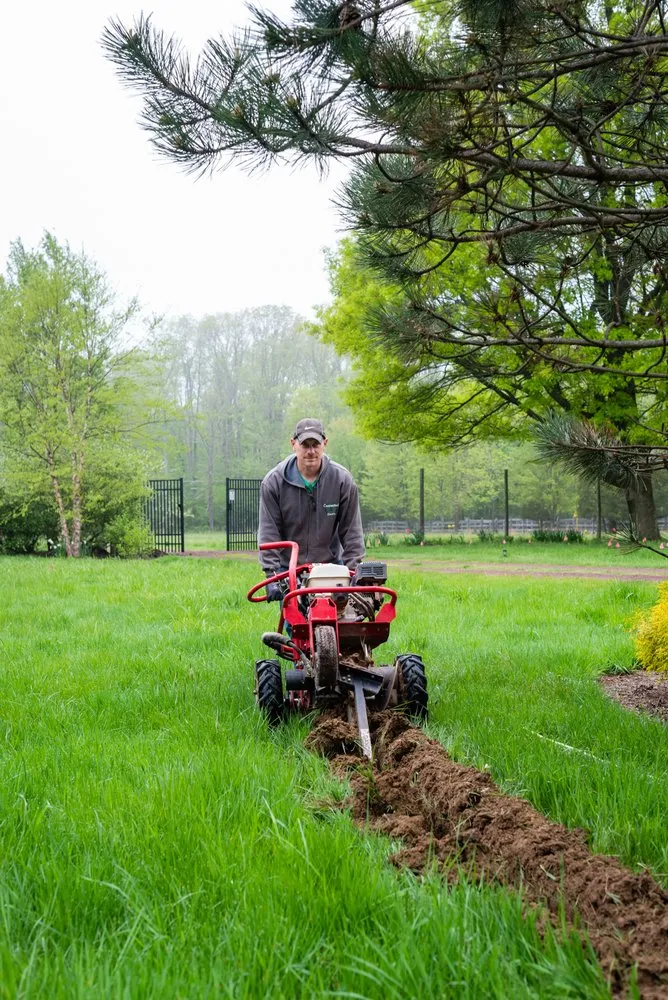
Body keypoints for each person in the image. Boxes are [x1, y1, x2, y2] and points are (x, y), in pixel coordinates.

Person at [258, 418, 365, 599]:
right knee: (296, 625)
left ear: (325, 443)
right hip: (290, 569)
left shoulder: (341, 480)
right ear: (293, 444)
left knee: (340, 619)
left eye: (315, 444)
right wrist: (273, 575)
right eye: (305, 445)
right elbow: (269, 531)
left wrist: (353, 571)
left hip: (330, 566)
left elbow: (352, 531)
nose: (311, 451)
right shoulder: (274, 482)